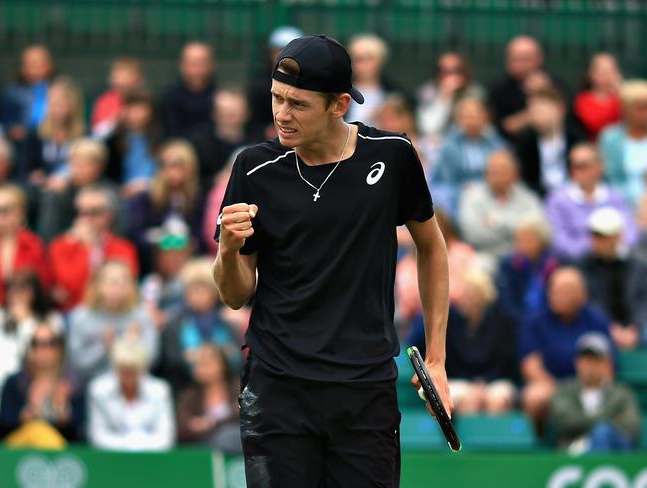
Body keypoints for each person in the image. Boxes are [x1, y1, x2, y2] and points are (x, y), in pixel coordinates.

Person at [213, 35, 450, 486]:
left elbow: (433, 248)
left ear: (339, 104)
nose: (282, 114)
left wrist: (436, 359)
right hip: (276, 386)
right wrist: (228, 248)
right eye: (276, 99)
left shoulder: (393, 156)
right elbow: (234, 294)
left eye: (298, 104)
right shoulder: (253, 168)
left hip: (363, 389)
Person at [407, 267, 517, 414]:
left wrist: (483, 383)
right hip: (458, 380)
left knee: (497, 400)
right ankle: (469, 437)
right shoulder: (451, 319)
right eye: (465, 293)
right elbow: (415, 339)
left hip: (493, 381)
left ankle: (493, 437)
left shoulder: (500, 322)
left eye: (473, 294)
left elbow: (504, 361)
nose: (467, 298)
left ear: (484, 297)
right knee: (467, 399)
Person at [519, 267, 612, 428]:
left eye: (565, 291)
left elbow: (607, 364)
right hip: (550, 385)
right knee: (534, 396)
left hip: (587, 385)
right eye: (554, 290)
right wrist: (557, 389)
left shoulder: (597, 320)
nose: (558, 296)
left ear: (582, 295)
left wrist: (587, 387)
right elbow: (530, 364)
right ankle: (538, 448)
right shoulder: (536, 321)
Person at [157, 258, 240, 396]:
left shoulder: (227, 324)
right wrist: (212, 357)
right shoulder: (174, 325)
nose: (198, 295)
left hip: (224, 392)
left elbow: (237, 360)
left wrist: (196, 356)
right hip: (185, 391)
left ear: (215, 292)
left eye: (204, 289)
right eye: (193, 289)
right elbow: (171, 360)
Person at [48, 185, 138, 310]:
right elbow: (70, 284)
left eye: (94, 212)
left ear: (109, 216)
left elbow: (122, 289)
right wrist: (87, 248)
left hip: (113, 312)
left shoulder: (123, 248)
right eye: (81, 212)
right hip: (72, 314)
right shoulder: (60, 245)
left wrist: (91, 247)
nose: (86, 218)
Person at [68, 260, 156, 383]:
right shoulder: (80, 317)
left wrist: (130, 345)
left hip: (134, 384)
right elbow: (78, 364)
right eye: (111, 283)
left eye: (123, 283)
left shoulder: (141, 317)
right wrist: (103, 347)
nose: (116, 289)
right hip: (92, 381)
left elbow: (151, 360)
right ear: (97, 285)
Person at [550, 332, 640, 453]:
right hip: (572, 451)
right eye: (586, 360)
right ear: (577, 363)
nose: (590, 366)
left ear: (607, 364)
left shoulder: (622, 393)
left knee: (603, 432)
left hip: (616, 452)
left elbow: (631, 428)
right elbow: (565, 423)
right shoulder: (564, 390)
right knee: (601, 430)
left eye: (596, 360)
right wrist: (609, 417)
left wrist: (600, 428)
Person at [545, 143, 637, 261]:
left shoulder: (614, 196)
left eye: (583, 166)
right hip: (576, 263)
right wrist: (595, 248)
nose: (577, 171)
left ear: (599, 167)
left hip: (615, 259)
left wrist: (613, 247)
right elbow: (558, 240)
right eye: (573, 166)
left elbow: (630, 230)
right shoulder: (557, 200)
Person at [0, 323, 84, 443]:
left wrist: (64, 415)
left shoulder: (74, 384)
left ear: (60, 348)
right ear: (29, 349)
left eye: (50, 343)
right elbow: (2, 427)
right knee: (38, 431)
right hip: (20, 451)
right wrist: (26, 414)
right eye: (35, 343)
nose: (42, 349)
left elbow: (82, 432)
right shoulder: (15, 383)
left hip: (62, 453)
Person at [127, 139, 204, 273]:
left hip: (189, 260)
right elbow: (135, 235)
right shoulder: (147, 197)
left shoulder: (197, 197)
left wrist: (187, 242)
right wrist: (160, 238)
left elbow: (202, 236)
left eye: (177, 166)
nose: (171, 171)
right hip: (153, 261)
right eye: (166, 166)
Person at [577, 207, 647, 349]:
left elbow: (642, 301)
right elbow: (590, 303)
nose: (597, 241)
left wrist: (636, 328)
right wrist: (610, 327)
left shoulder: (637, 265)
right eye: (594, 235)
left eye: (603, 236)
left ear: (618, 236)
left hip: (637, 328)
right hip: (599, 328)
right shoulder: (584, 266)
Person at [87, 337, 175, 451]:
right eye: (123, 370)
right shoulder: (98, 390)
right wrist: (128, 444)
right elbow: (97, 437)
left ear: (142, 368)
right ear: (115, 368)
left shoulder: (160, 390)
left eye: (133, 370)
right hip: (111, 460)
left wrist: (139, 443)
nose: (128, 375)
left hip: (152, 461)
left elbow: (166, 438)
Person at [458, 150, 544, 265]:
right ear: (486, 173)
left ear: (515, 173)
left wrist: (495, 223)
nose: (498, 174)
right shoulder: (472, 196)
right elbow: (472, 234)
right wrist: (516, 231)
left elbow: (536, 232)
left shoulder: (528, 198)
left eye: (503, 170)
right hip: (485, 256)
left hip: (522, 257)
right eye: (493, 170)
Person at [0, 271, 63, 413]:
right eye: (12, 289)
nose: (17, 295)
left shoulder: (52, 319)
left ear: (35, 292)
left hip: (34, 383)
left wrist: (26, 323)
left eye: (23, 289)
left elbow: (38, 354)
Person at [36, 137, 125, 242]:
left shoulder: (111, 192)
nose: (79, 169)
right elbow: (49, 229)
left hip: (102, 245)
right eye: (75, 163)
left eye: (85, 164)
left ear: (100, 167)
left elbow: (121, 229)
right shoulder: (62, 190)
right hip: (66, 244)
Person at [431, 97, 506, 215]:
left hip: (491, 194)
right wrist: (464, 190)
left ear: (485, 118)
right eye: (466, 117)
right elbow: (445, 180)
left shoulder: (496, 144)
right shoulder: (449, 147)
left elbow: (504, 173)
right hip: (457, 196)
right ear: (458, 120)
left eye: (475, 116)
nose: (471, 121)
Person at [513, 87, 585, 196]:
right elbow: (524, 181)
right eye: (532, 112)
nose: (536, 117)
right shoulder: (525, 143)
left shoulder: (576, 140)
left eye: (541, 111)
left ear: (560, 110)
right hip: (537, 198)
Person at [488, 36, 556, 141]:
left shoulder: (553, 83)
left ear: (539, 59)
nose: (521, 65)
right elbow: (499, 127)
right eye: (516, 59)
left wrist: (546, 92)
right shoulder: (499, 88)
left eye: (526, 59)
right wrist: (530, 115)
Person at [22, 77, 84, 186]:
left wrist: (63, 178)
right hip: (40, 189)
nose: (57, 110)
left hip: (73, 187)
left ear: (74, 107)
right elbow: (24, 168)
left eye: (63, 105)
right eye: (53, 104)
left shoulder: (84, 136)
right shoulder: (35, 135)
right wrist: (34, 175)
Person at [497, 215, 559, 323]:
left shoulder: (554, 265)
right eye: (518, 240)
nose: (520, 245)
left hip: (550, 322)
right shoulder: (509, 265)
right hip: (517, 323)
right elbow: (507, 303)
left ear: (542, 240)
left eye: (527, 239)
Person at [246, 26, 304, 142]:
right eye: (280, 50)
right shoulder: (259, 85)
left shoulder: (311, 83)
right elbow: (253, 122)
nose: (287, 56)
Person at [176, 343, 240, 450]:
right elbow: (182, 426)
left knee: (228, 436)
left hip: (234, 444)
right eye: (197, 364)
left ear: (221, 365)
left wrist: (211, 423)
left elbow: (241, 417)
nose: (199, 368)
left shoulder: (238, 388)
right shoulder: (189, 394)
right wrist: (194, 425)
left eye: (205, 364)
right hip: (201, 445)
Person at [0, 184, 50, 305]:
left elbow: (43, 285)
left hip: (25, 310)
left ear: (20, 213)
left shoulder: (33, 243)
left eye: (4, 210)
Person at [188, 88, 249, 190]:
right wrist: (218, 180)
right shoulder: (200, 146)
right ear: (214, 114)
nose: (229, 118)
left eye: (233, 113)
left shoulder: (258, 143)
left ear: (246, 113)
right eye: (224, 112)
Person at [103, 88, 159, 198]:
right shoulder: (114, 140)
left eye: (141, 108)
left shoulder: (160, 139)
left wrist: (146, 185)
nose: (136, 113)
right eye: (132, 108)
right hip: (121, 194)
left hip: (154, 192)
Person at [417, 51, 484, 140]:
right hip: (438, 144)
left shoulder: (475, 92)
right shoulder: (427, 92)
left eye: (456, 71)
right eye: (444, 71)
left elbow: (482, 129)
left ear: (465, 73)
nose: (450, 76)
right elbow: (428, 129)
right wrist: (444, 98)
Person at [600, 80, 647, 205]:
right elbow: (608, 178)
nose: (645, 113)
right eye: (639, 108)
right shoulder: (610, 138)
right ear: (625, 110)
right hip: (621, 203)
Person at [0, 45, 54, 147]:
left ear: (49, 64)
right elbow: (6, 123)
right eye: (29, 63)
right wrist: (12, 130)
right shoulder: (11, 93)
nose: (34, 67)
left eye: (38, 62)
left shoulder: (59, 89)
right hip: (22, 145)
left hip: (53, 139)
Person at [163, 42, 216, 138]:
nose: (195, 69)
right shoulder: (169, 97)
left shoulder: (220, 98)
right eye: (191, 63)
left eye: (200, 63)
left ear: (211, 65)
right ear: (182, 65)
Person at [346, 34, 401, 127]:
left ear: (381, 61)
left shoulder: (395, 93)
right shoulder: (339, 91)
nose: (363, 65)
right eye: (357, 59)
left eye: (369, 59)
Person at [91, 57, 145, 138]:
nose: (122, 79)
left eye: (127, 74)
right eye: (119, 74)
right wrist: (116, 120)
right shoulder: (106, 101)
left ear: (138, 78)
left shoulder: (146, 100)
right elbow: (97, 133)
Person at [573, 53, 623, 141]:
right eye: (602, 70)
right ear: (591, 73)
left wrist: (621, 92)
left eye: (610, 70)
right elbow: (597, 125)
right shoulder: (583, 100)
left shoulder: (622, 96)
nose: (606, 75)